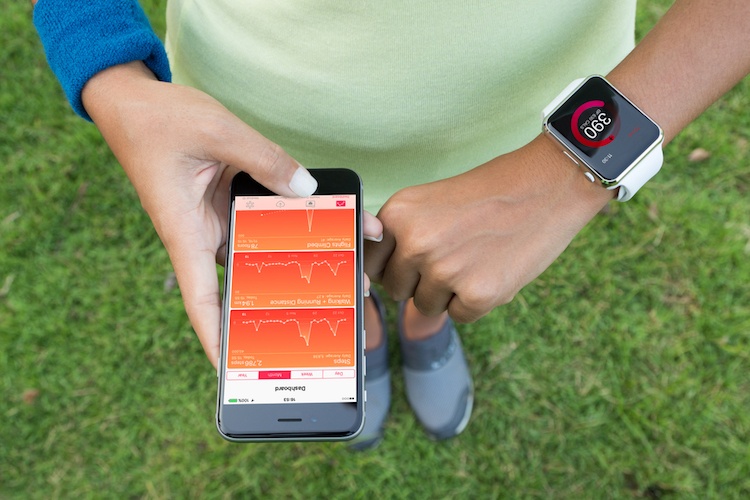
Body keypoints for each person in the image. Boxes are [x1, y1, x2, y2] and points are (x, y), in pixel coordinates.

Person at [33, 0, 750, 449]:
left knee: (439, 270)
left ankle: (422, 320)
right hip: (254, 120)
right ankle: (365, 328)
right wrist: (110, 75)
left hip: (524, 128)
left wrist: (570, 169)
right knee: (315, 266)